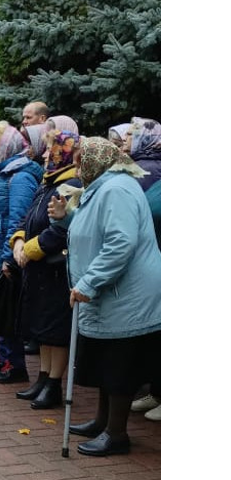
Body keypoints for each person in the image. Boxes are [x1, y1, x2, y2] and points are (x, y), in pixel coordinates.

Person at [47, 137, 160, 457]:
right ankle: (102, 421)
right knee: (105, 361)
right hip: (111, 293)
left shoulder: (116, 190)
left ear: (100, 158)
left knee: (119, 366)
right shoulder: (101, 188)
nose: (78, 165)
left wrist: (90, 283)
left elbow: (119, 244)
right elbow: (92, 230)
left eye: (82, 158)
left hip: (127, 294)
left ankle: (117, 433)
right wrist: (64, 217)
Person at [9, 128, 80, 410]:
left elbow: (63, 230)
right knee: (42, 328)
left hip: (55, 268)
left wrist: (30, 249)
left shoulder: (71, 183)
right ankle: (42, 378)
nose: (47, 155)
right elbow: (29, 217)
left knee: (55, 329)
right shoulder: (47, 182)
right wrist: (18, 241)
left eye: (53, 150)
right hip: (38, 270)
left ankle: (54, 384)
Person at [0, 121, 43, 384]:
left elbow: (18, 219)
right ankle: (5, 356)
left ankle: (15, 364)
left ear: (6, 147)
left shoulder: (21, 177)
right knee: (1, 307)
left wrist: (8, 256)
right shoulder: (5, 172)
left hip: (8, 257)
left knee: (9, 311)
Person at [122, 117, 161, 421]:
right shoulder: (141, 167)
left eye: (133, 133)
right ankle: (157, 391)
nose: (127, 138)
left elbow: (147, 210)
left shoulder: (150, 169)